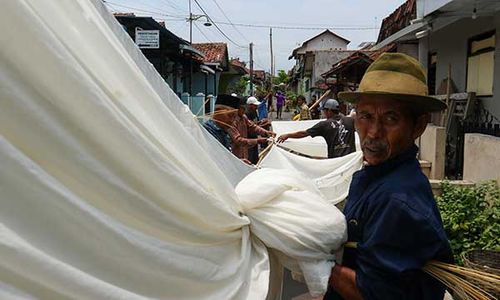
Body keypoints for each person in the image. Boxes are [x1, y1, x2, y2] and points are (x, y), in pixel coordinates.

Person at [324, 53, 453, 300]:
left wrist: (314, 260)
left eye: (391, 118)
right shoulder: (378, 177)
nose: (373, 133)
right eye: (366, 116)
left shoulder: (397, 201)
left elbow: (373, 293)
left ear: (418, 126)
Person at [277, 98, 356, 158]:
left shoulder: (324, 125)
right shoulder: (350, 121)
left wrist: (287, 135)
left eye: (324, 111)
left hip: (335, 159)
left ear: (328, 110)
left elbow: (303, 133)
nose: (324, 113)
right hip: (351, 159)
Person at [231, 97, 274, 161]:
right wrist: (257, 141)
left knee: (253, 160)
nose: (244, 110)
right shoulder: (233, 121)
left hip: (247, 146)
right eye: (242, 109)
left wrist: (266, 132)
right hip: (239, 149)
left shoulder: (244, 117)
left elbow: (253, 126)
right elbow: (238, 140)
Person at [246, 96, 275, 164]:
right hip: (249, 139)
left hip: (254, 137)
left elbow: (255, 124)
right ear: (250, 105)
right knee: (250, 158)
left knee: (255, 157)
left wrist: (261, 122)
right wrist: (264, 127)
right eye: (255, 105)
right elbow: (251, 127)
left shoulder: (254, 112)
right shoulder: (246, 115)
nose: (256, 107)